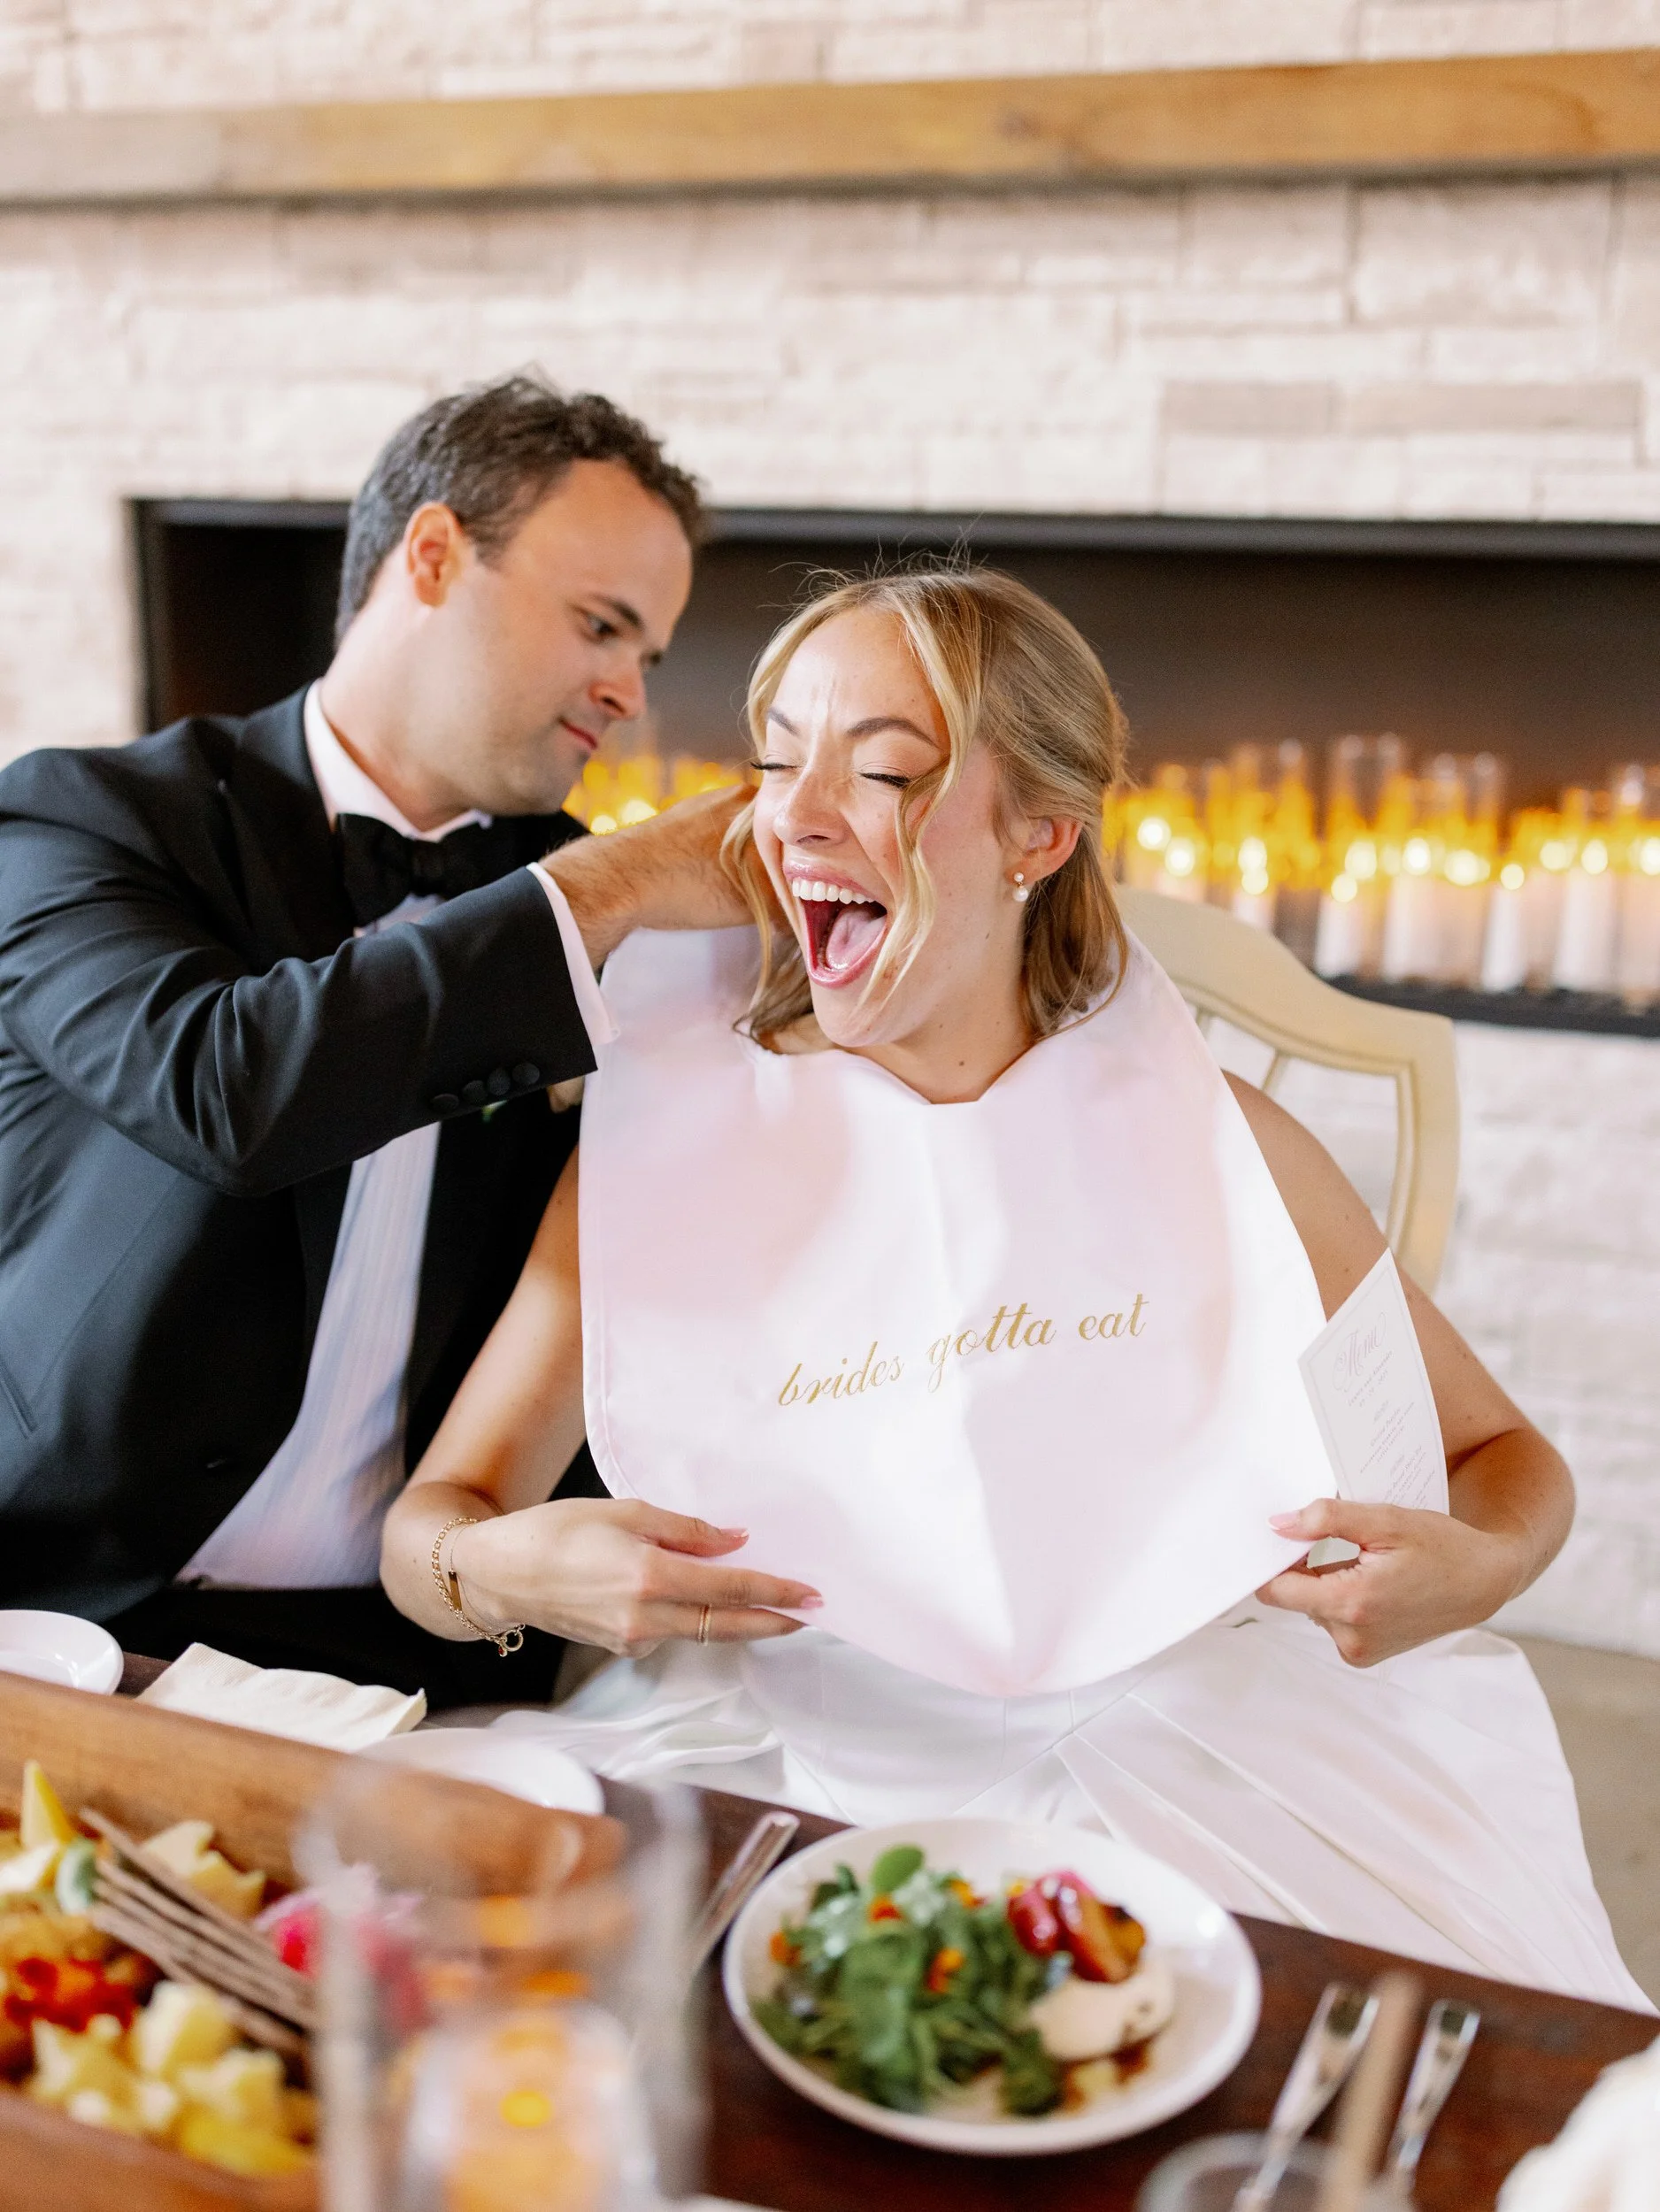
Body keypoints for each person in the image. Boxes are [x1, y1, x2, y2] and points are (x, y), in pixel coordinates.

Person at [380, 567, 1646, 2006]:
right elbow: (431, 1531)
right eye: (778, 760)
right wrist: (504, 1572)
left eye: (889, 772)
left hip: (1201, 1751)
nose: (793, 818)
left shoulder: (1221, 1138)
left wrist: (1476, 1568)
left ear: (1041, 833)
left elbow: (1505, 1459)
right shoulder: (670, 1156)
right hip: (787, 1764)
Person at [0, 373, 749, 1704]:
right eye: (600, 626)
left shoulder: (595, 916)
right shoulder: (81, 822)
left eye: (650, 653)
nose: (628, 691)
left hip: (424, 1648)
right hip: (69, 1614)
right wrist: (611, 890)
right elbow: (227, 1089)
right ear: (436, 556)